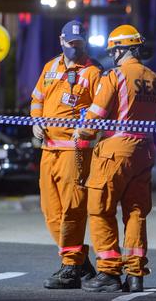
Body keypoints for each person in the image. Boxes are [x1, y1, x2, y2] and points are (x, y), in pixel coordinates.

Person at [78, 25, 156, 293]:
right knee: (136, 213)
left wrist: (80, 138)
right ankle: (135, 274)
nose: (112, 56)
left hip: (114, 152)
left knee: (100, 209)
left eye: (114, 51)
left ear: (122, 50)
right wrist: (152, 144)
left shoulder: (114, 77)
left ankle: (108, 272)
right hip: (144, 152)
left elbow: (94, 118)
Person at [30, 20, 101, 289]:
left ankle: (70, 265)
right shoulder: (50, 67)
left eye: (79, 43)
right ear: (61, 40)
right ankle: (80, 261)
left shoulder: (93, 72)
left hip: (76, 152)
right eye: (71, 43)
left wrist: (85, 129)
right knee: (51, 211)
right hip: (49, 149)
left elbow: (102, 108)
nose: (75, 48)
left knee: (73, 209)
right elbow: (36, 98)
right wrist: (36, 120)